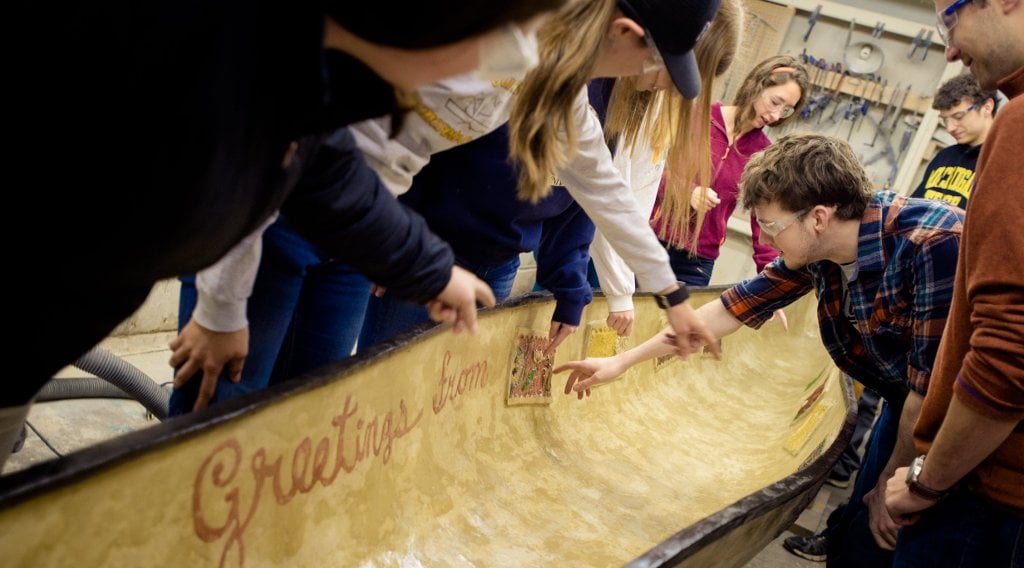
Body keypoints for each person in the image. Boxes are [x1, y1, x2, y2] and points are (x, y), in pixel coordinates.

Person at [5, 1, 565, 467]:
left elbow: (323, 167)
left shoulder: (308, 69)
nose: (520, 59)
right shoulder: (199, 43)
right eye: (516, 32)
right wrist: (222, 308)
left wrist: (431, 271)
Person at [168, 0, 735, 413]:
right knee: (220, 405)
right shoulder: (478, 36)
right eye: (650, 62)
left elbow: (605, 189)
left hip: (357, 233)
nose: (645, 80)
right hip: (272, 214)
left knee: (306, 409)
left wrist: (673, 296)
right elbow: (271, 136)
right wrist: (221, 305)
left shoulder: (549, 81)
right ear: (623, 30)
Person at [556, 134, 965, 568]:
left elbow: (932, 388)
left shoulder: (931, 243)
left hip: (963, 416)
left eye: (771, 226)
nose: (768, 238)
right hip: (905, 400)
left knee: (907, 534)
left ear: (819, 217)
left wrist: (892, 480)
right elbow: (728, 311)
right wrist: (620, 362)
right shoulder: (821, 250)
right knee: (859, 537)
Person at [883, 0, 1024, 564]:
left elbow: (1012, 348)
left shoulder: (1018, 123)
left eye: (949, 19)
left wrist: (926, 480)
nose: (950, 49)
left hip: (983, 494)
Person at [591, 55, 808, 337]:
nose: (776, 115)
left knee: (668, 341)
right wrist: (685, 191)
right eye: (775, 102)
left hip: (696, 263)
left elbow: (763, 221)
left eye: (787, 110)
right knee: (616, 327)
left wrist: (772, 284)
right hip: (649, 241)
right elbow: (642, 170)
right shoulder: (694, 117)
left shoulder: (764, 154)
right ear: (757, 85)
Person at [909, 73, 997, 210]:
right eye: (945, 120)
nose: (950, 128)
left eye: (958, 116)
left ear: (987, 107)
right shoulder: (944, 157)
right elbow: (912, 210)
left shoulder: (1003, 163)